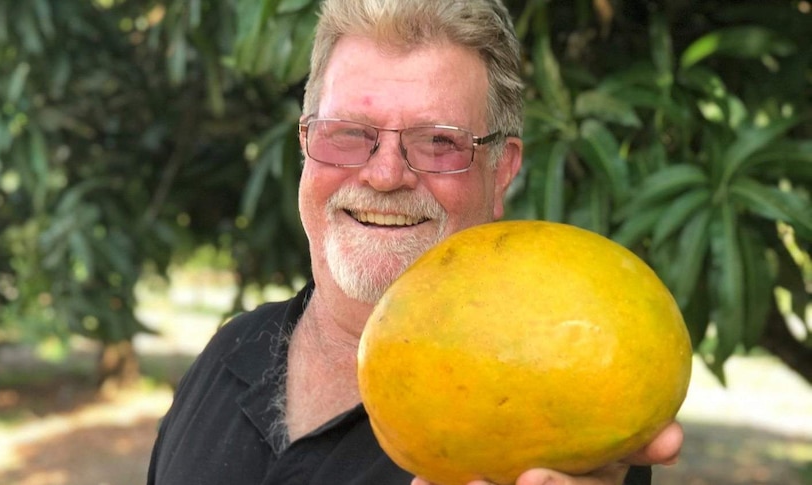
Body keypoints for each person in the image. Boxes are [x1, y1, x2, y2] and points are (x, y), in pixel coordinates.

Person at [146, 0, 684, 484]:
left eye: (437, 142)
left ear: (502, 171)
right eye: (349, 132)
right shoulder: (230, 351)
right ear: (306, 145)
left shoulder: (554, 415)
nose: (384, 175)